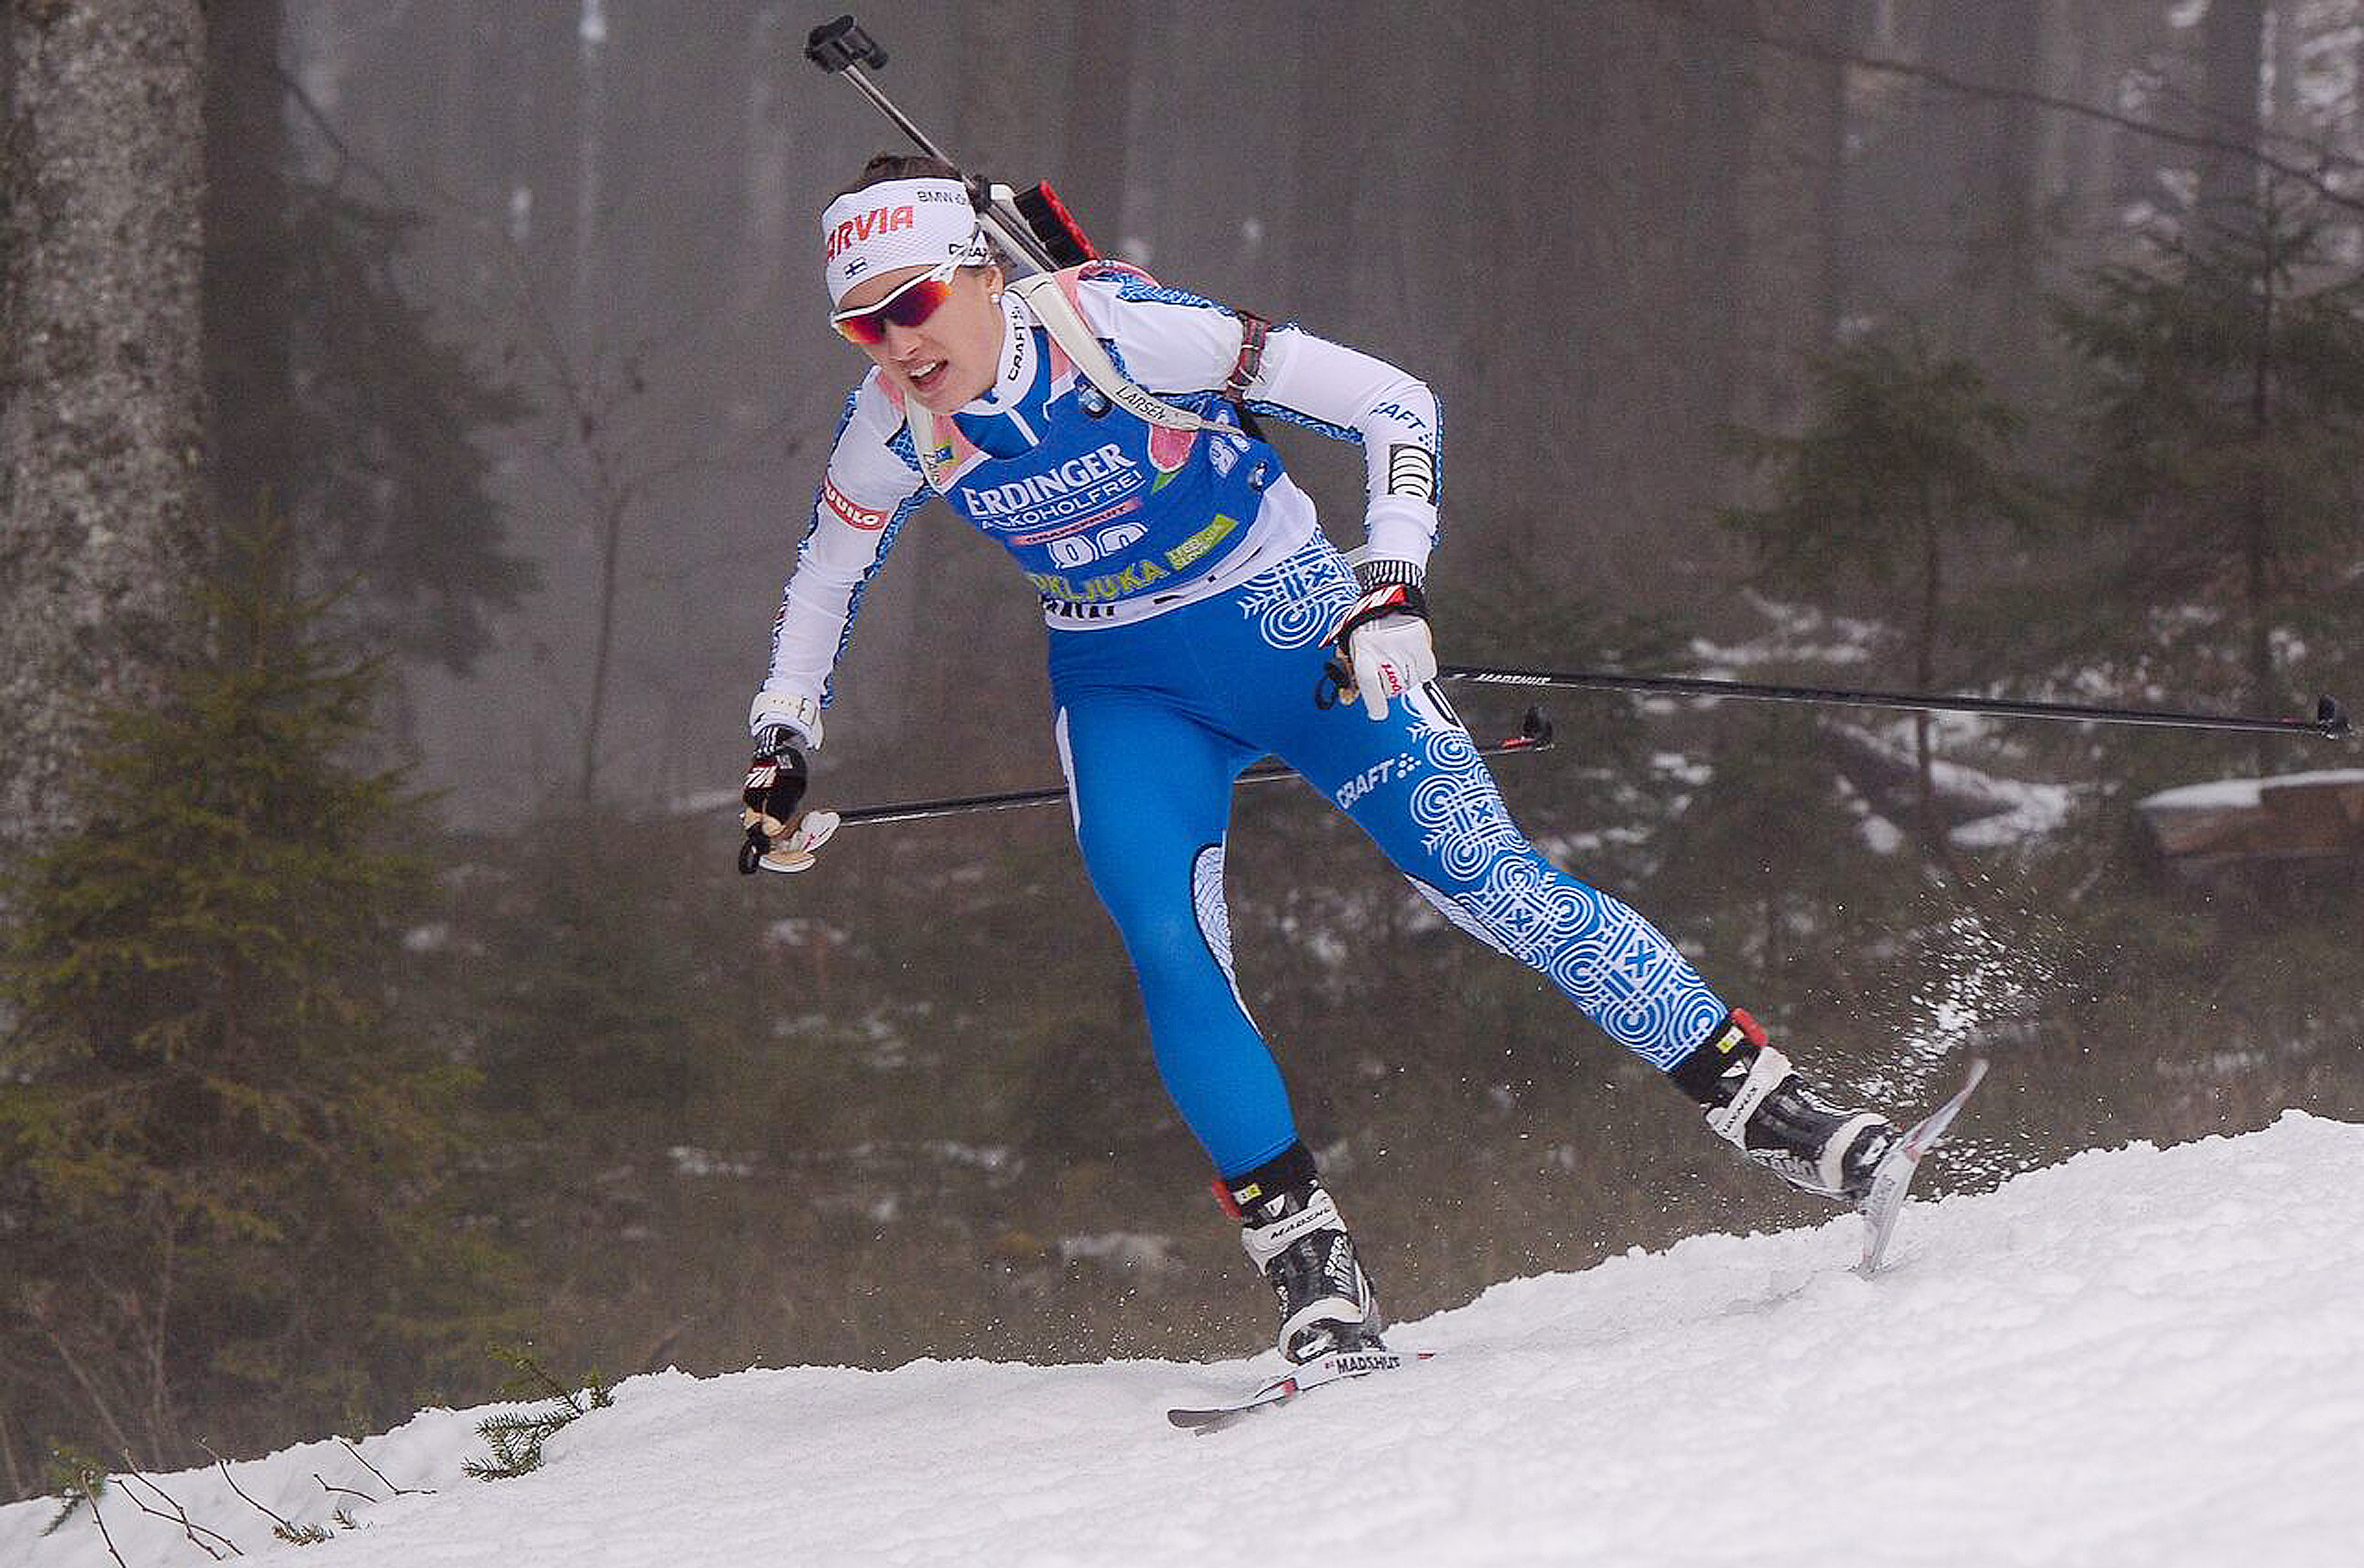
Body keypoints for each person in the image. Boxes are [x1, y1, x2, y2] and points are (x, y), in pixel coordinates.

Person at [741, 153, 1900, 1366]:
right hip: (1121, 685)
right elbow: (826, 575)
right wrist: (783, 733)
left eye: (913, 305)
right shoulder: (889, 427)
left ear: (980, 272)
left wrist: (1389, 579)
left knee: (1488, 879)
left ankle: (1787, 1122)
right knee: (1171, 950)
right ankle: (1312, 1275)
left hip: (1295, 625)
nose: (895, 346)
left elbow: (1393, 401)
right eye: (860, 326)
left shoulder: (1124, 331)